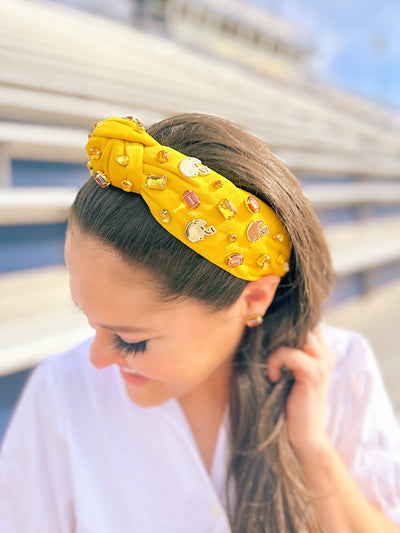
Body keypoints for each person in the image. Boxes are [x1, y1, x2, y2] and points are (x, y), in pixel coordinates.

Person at [0, 114, 399, 533]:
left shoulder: (342, 372)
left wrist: (314, 450)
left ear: (255, 298)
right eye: (90, 320)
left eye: (131, 340)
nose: (97, 358)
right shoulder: (61, 391)